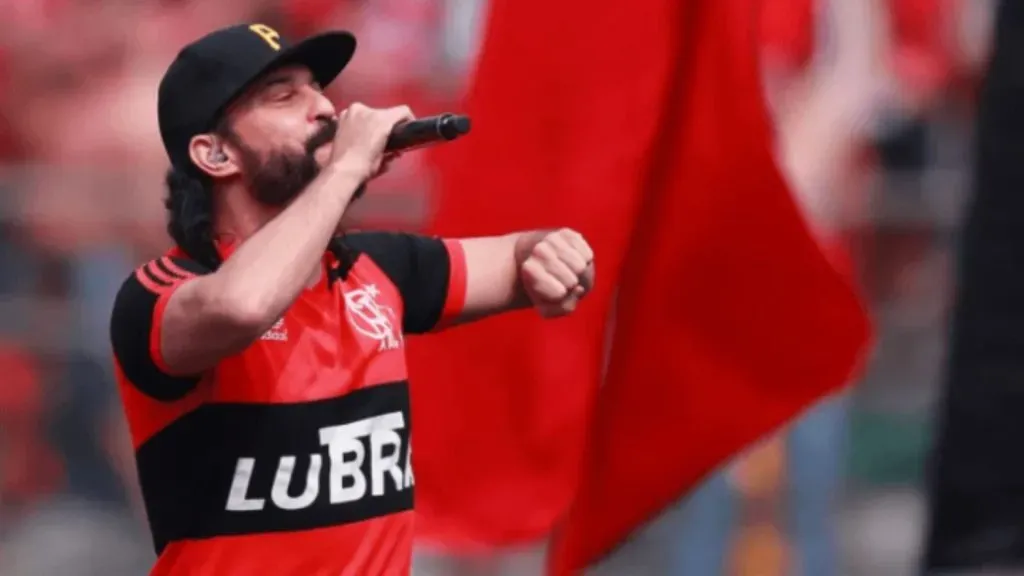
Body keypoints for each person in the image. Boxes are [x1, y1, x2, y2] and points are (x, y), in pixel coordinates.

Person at [107, 23, 595, 576]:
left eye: (319, 88)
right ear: (215, 154)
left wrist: (552, 253)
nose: (326, 110)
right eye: (285, 96)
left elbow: (517, 256)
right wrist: (344, 168)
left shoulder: (375, 268)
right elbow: (243, 305)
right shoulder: (162, 295)